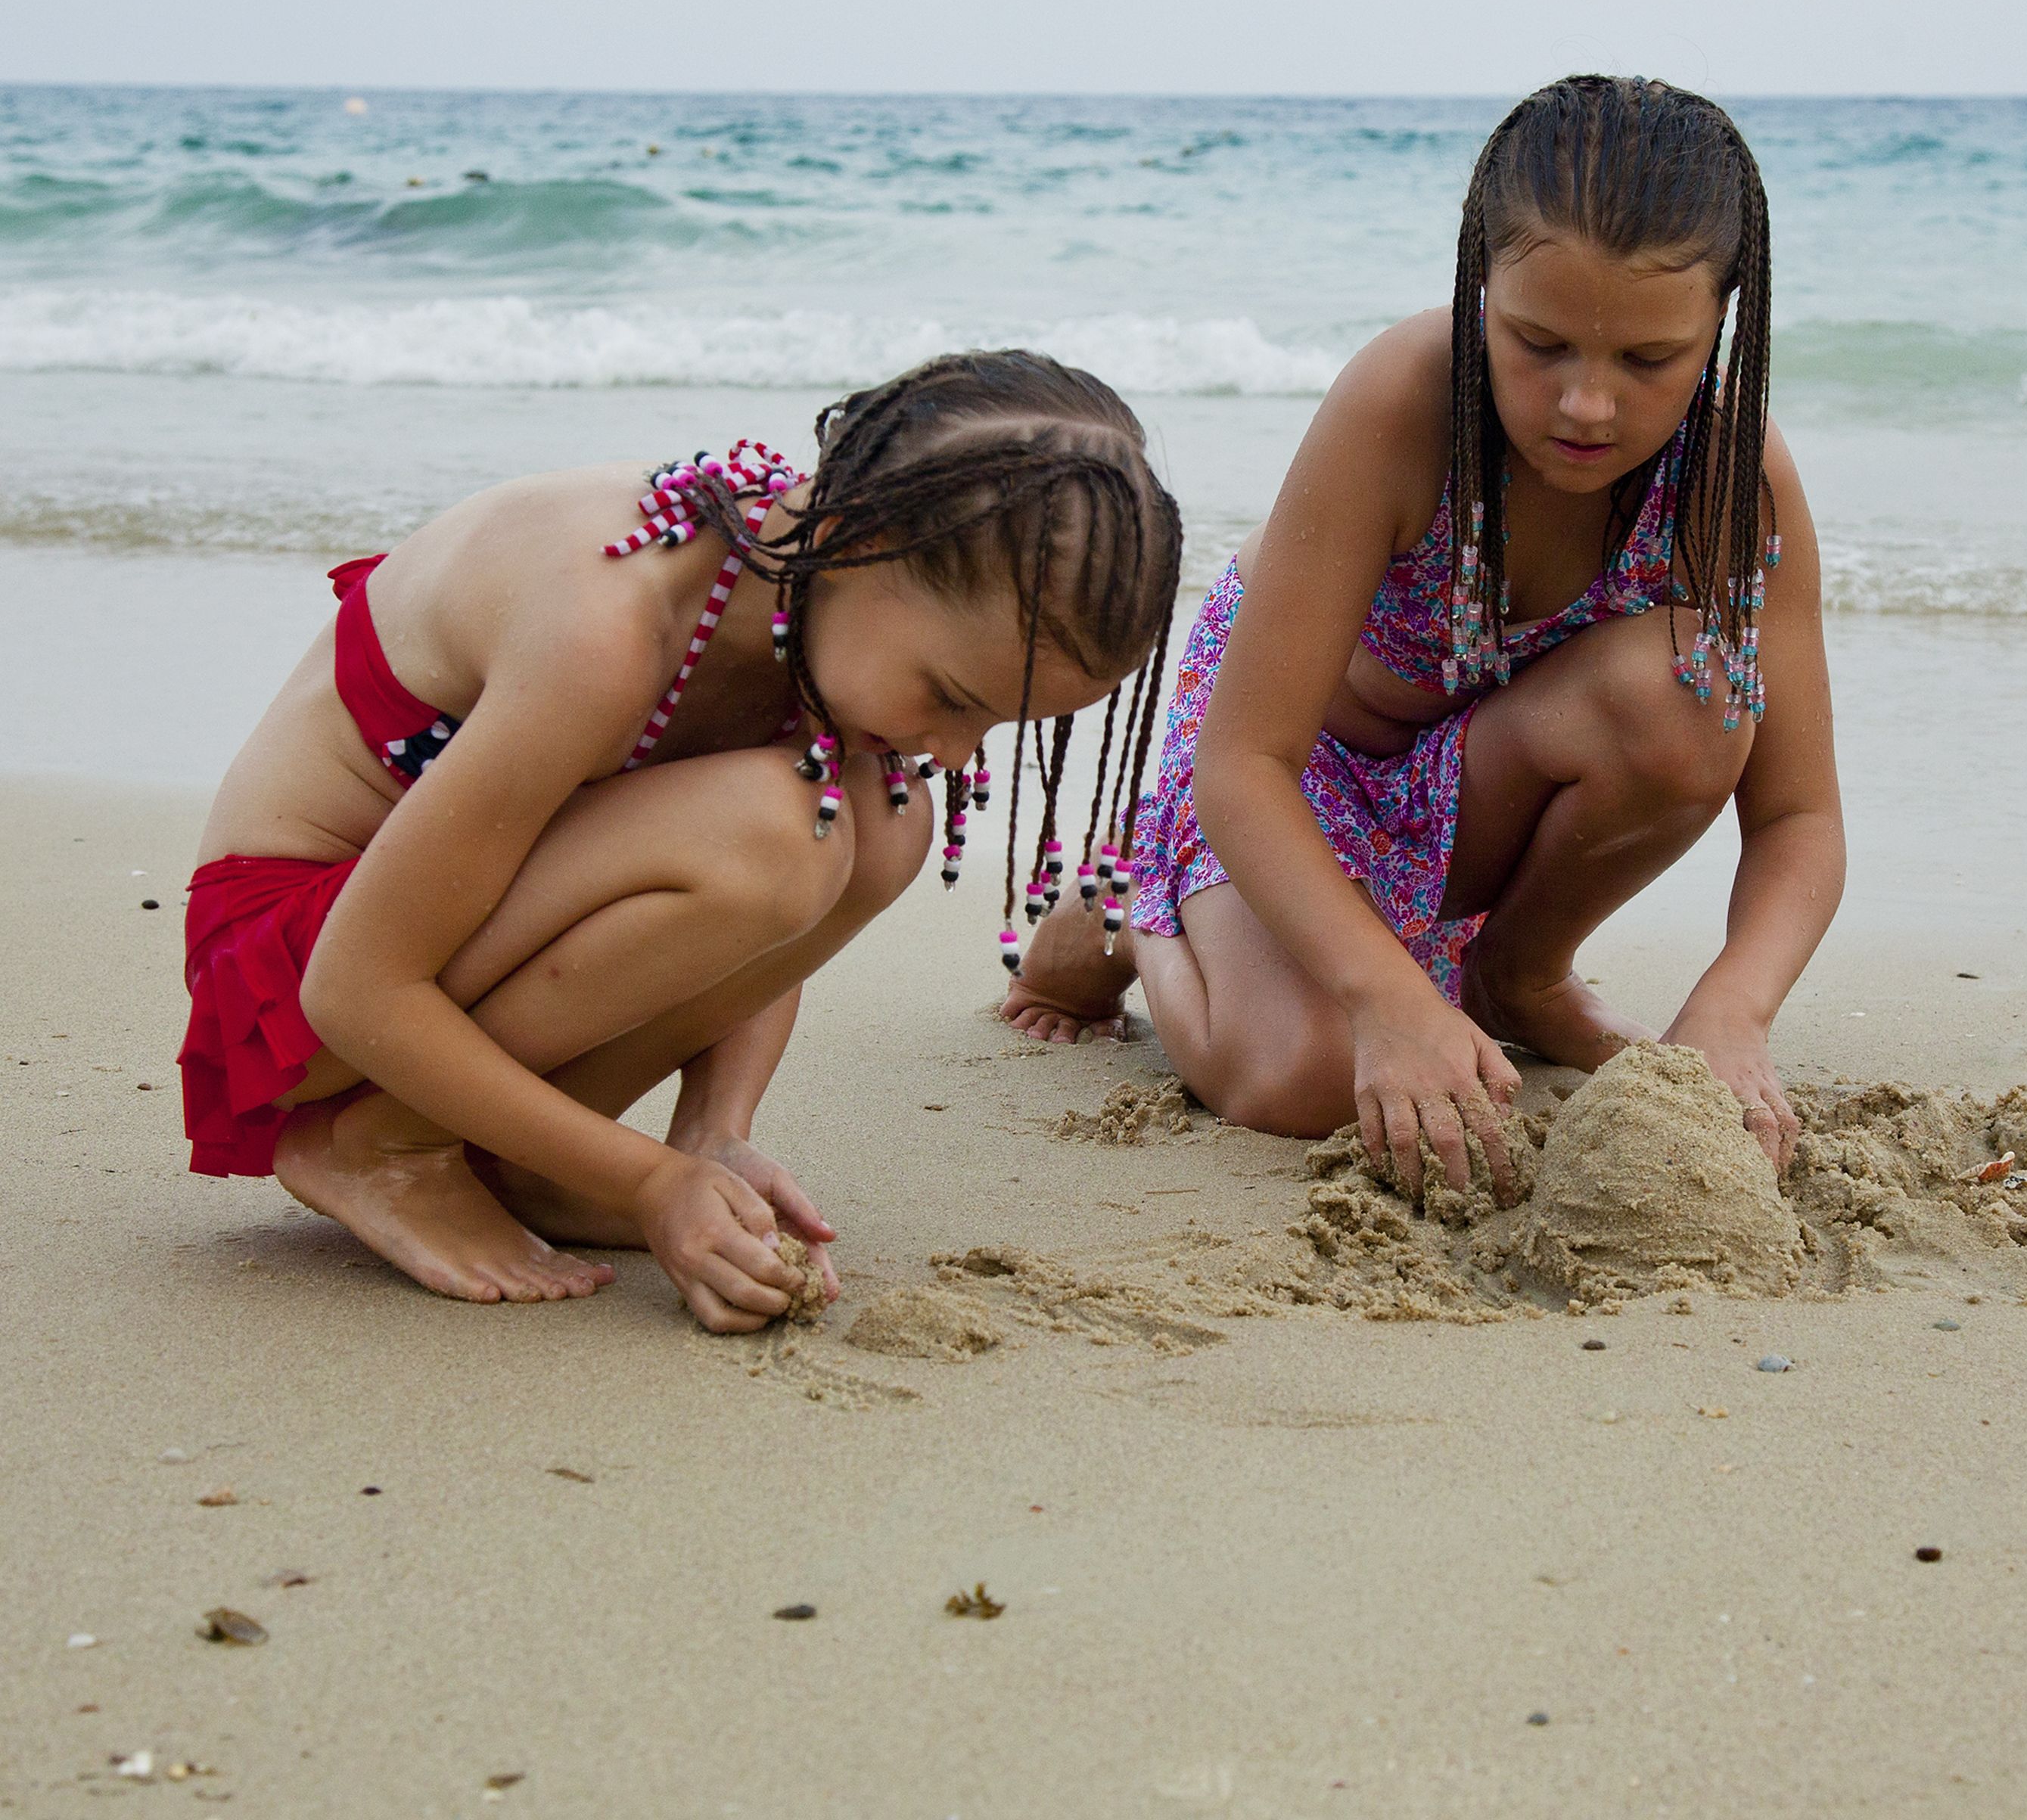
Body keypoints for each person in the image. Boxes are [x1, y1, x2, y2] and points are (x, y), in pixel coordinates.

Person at [181, 353, 1180, 1331]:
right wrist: (653, 1182)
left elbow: (759, 929)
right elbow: (354, 988)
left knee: (883, 819)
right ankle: (385, 1146)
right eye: (953, 698)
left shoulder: (800, 583)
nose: (957, 749)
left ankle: (513, 1158)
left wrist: (711, 1136)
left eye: (995, 729)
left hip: (433, 950)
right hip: (292, 977)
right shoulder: (609, 626)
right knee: (781, 827)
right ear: (852, 536)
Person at [1004, 75, 1844, 1199]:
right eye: (1538, 343)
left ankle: (1517, 976)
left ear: (1722, 324)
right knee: (1305, 1080)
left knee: (1696, 697)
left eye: (1648, 362)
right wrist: (1386, 1005)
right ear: (1479, 287)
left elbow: (1799, 816)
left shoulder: (1736, 478)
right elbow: (1244, 765)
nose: (1586, 405)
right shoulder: (1400, 406)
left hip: (1478, 790)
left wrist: (1733, 1009)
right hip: (1288, 782)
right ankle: (1132, 903)